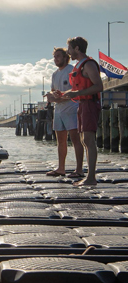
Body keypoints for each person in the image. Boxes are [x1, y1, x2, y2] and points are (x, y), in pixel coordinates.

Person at [63, 37, 103, 186]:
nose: (68, 52)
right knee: (84, 140)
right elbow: (76, 90)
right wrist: (61, 94)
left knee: (88, 140)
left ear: (77, 49)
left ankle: (91, 178)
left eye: (69, 48)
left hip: (90, 104)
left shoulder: (89, 64)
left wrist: (76, 93)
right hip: (82, 104)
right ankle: (88, 176)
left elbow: (99, 86)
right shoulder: (79, 65)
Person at [44, 47, 84, 179]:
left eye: (58, 56)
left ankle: (79, 169)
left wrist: (59, 98)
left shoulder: (72, 70)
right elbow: (53, 90)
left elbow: (76, 90)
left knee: (75, 139)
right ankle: (61, 168)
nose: (56, 59)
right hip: (59, 110)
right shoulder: (55, 74)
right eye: (54, 57)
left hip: (71, 108)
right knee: (60, 140)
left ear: (65, 57)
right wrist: (50, 96)